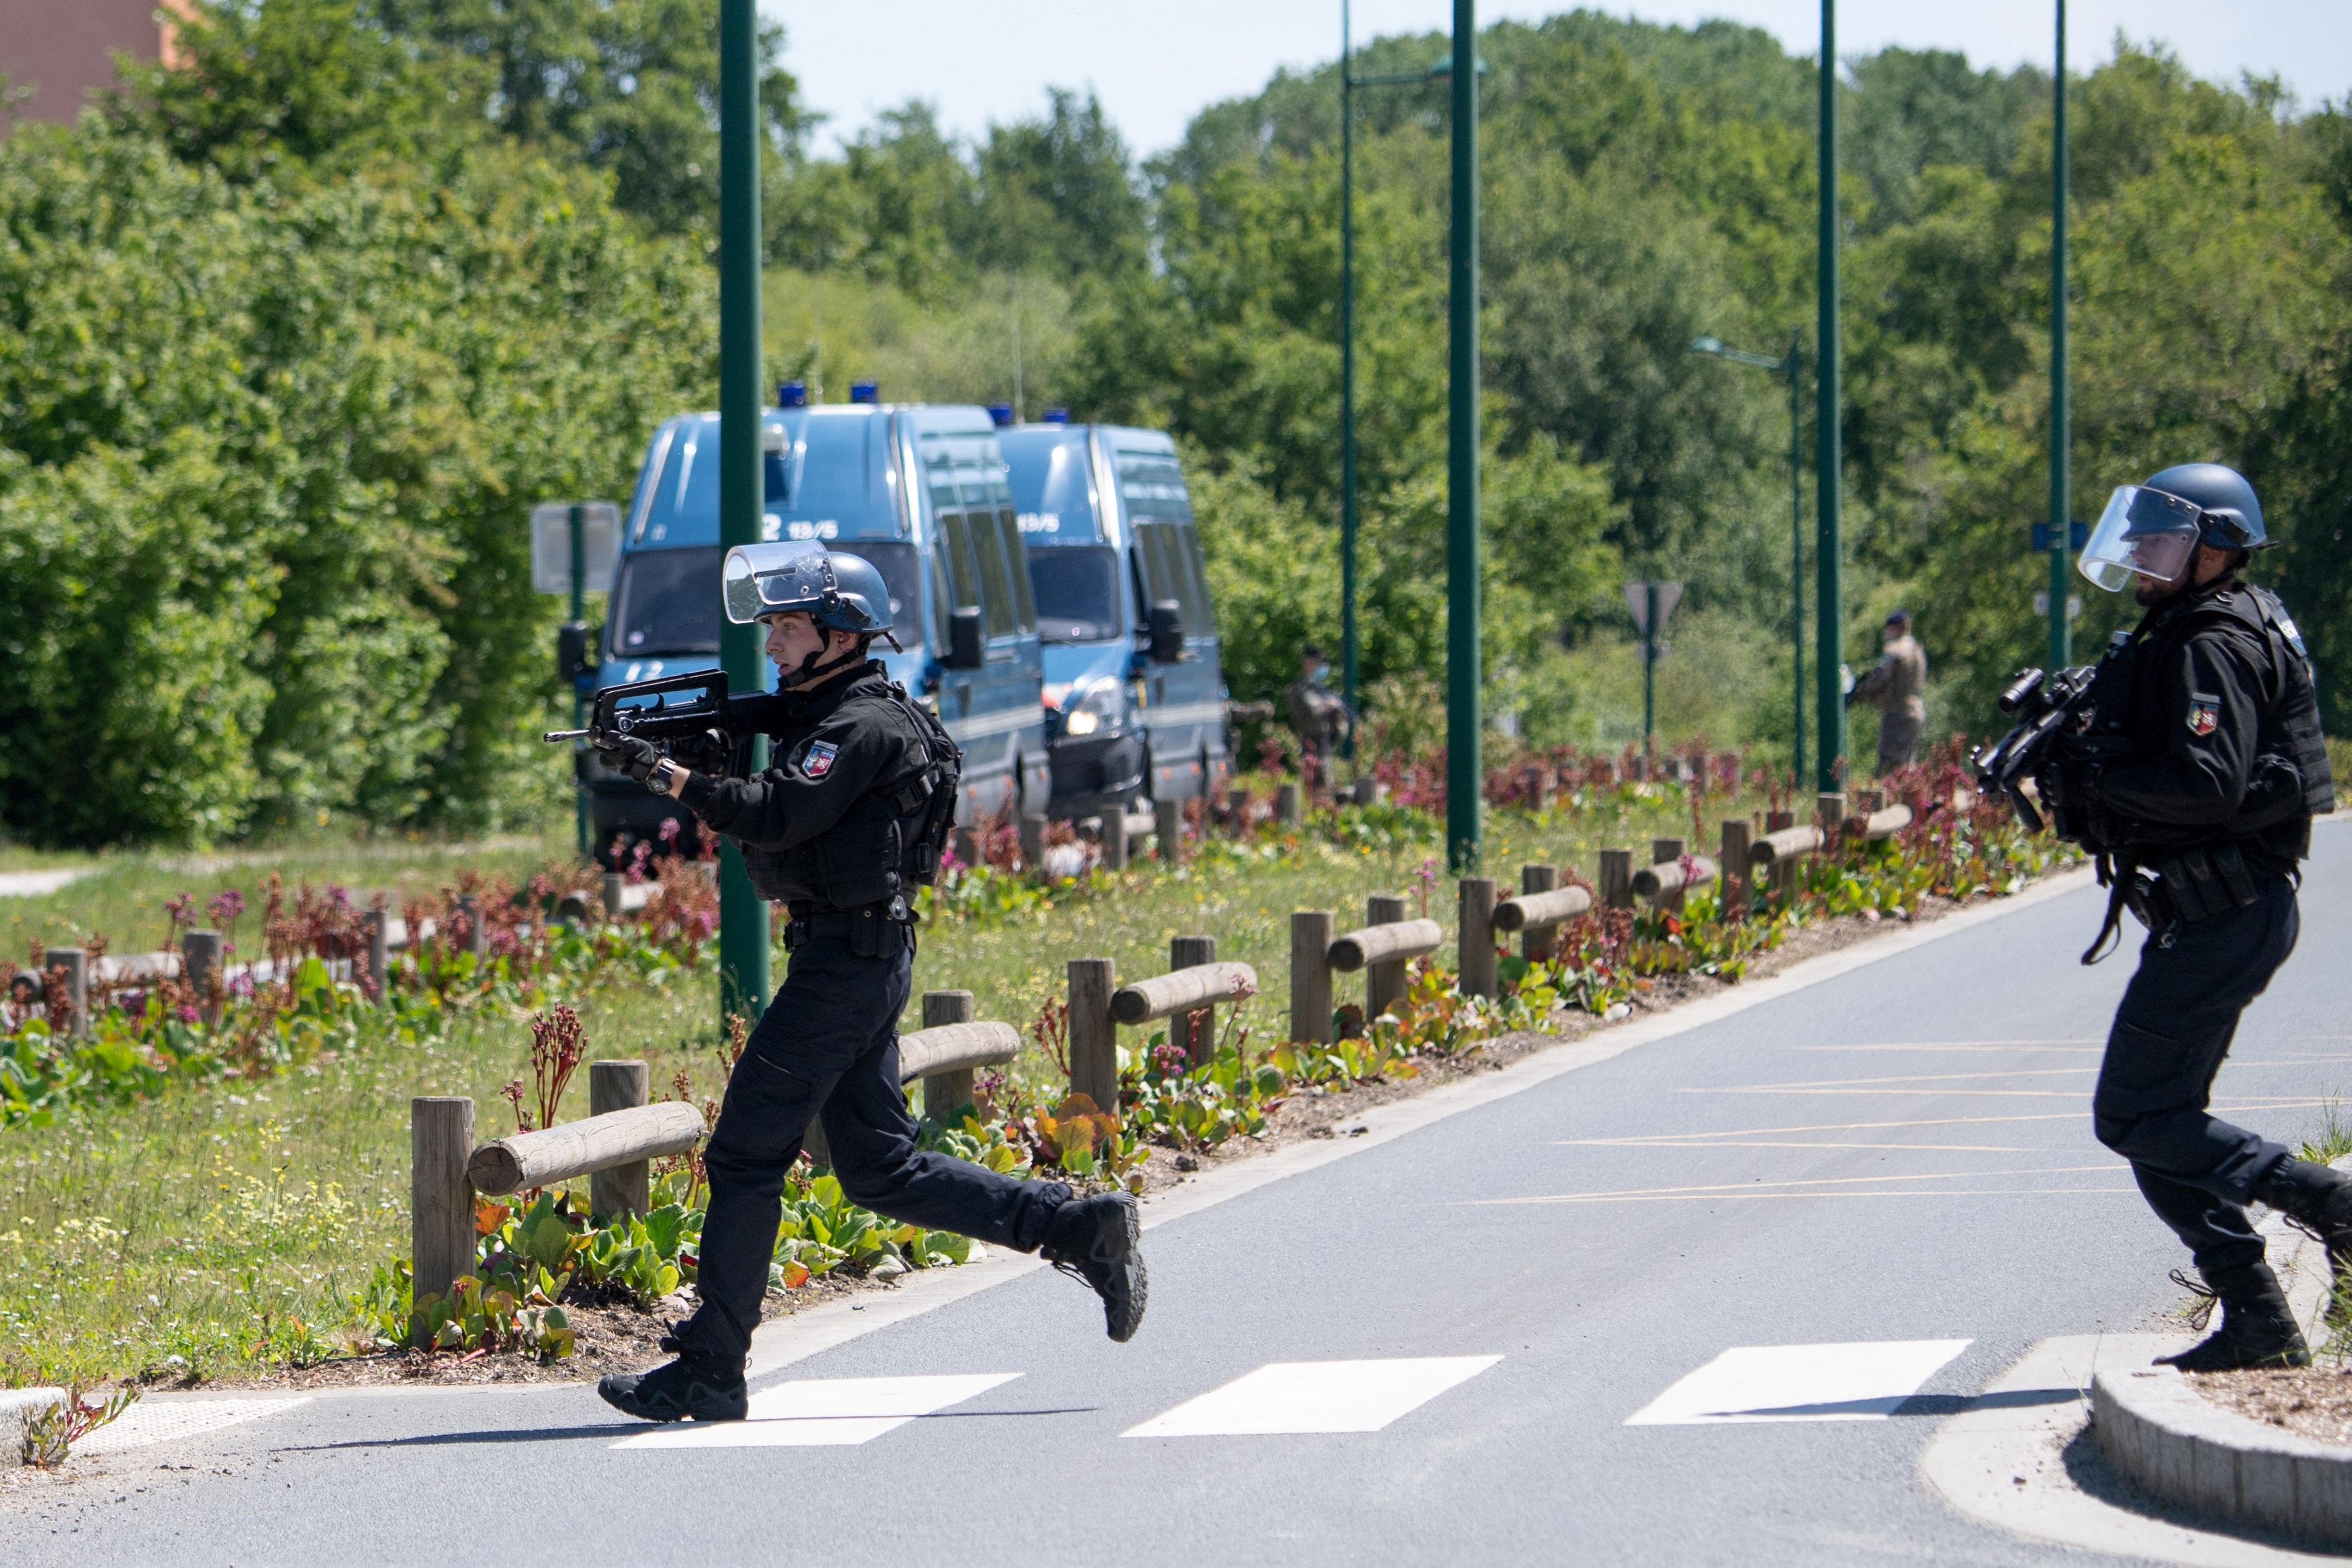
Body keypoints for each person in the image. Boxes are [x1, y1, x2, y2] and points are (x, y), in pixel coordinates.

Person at [591, 544, 1147, 1424]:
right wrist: (707, 756)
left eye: (785, 625)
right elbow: (779, 799)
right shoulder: (840, 714)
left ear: (839, 634)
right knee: (879, 1170)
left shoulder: (859, 727)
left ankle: (710, 1367)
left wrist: (669, 776)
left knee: (743, 1155)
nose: (770, 642)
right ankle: (1075, 1226)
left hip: (842, 966)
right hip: (855, 956)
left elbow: (776, 814)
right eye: (769, 624)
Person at [2046, 463, 2335, 1372]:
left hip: (2228, 911)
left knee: (2134, 1115)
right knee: (2154, 1117)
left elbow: (2206, 788)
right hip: (2213, 912)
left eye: (2160, 540)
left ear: (2215, 549)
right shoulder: (2188, 625)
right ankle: (2257, 1319)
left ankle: (2329, 1206)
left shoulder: (2209, 639)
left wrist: (2097, 779)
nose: (2139, 556)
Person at [1846, 610, 1928, 773]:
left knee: (1890, 766)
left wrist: (1858, 692)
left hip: (1897, 712)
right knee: (1907, 764)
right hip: (1915, 711)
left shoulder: (1895, 651)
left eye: (1889, 626)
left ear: (1897, 627)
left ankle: (1891, 799)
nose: (1886, 631)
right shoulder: (1916, 649)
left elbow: (1881, 680)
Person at [1285, 644, 1352, 793]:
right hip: (1312, 740)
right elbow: (1314, 709)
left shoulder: (1320, 688)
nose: (1320, 667)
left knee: (1325, 780)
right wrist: (1329, 705)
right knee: (1316, 782)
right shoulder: (1301, 688)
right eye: (1317, 662)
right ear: (1307, 663)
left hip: (1324, 739)